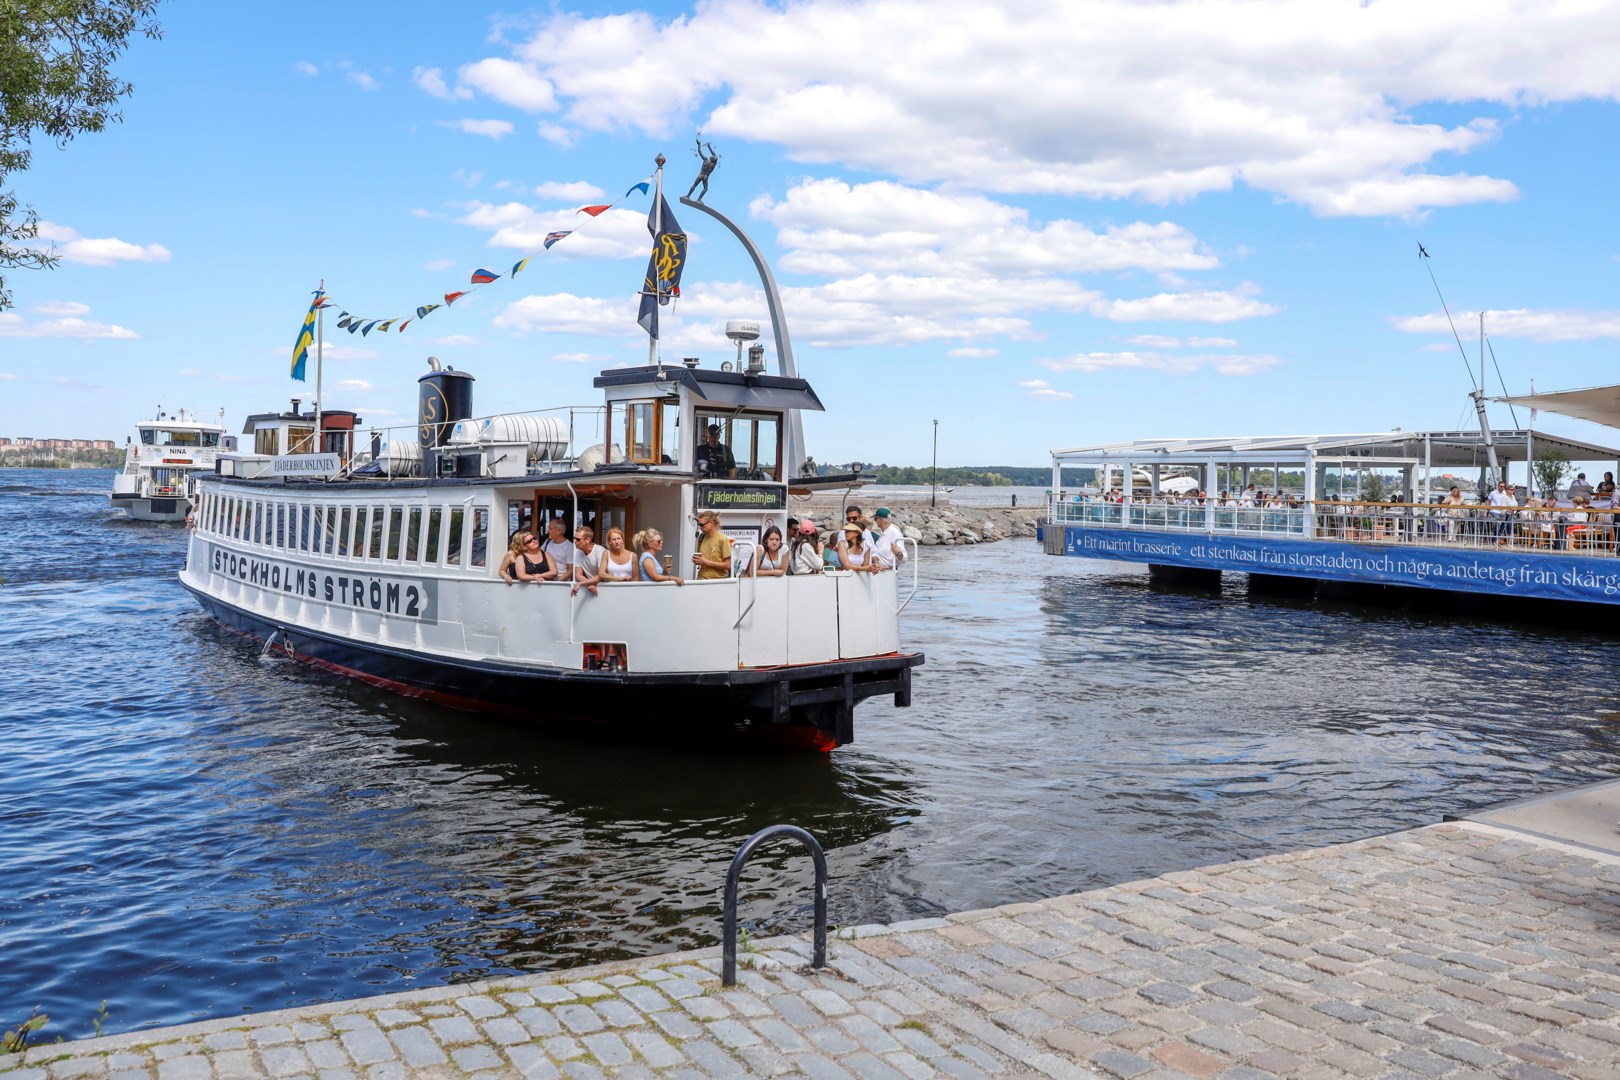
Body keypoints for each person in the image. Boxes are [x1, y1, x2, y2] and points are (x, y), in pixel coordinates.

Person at [691, 510, 732, 579]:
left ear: (711, 523)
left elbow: (728, 565)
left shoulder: (722, 539)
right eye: (698, 525)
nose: (699, 527)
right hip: (701, 579)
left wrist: (706, 562)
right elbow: (702, 560)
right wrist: (698, 561)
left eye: (701, 525)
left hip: (717, 581)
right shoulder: (701, 537)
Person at [571, 525, 605, 596]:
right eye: (574, 538)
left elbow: (601, 576)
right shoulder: (578, 552)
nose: (575, 541)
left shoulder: (600, 551)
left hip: (605, 587)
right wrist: (589, 583)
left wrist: (582, 583)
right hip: (592, 588)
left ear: (587, 540)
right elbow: (578, 575)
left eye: (578, 539)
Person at [1487, 480, 1517, 545]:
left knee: (1502, 525)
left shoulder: (1505, 494)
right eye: (1501, 486)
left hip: (1503, 512)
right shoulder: (1493, 493)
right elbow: (1488, 501)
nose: (1502, 488)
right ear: (1498, 486)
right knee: (1499, 523)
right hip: (1494, 510)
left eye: (1503, 486)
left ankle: (1497, 540)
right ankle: (1496, 540)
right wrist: (1488, 510)